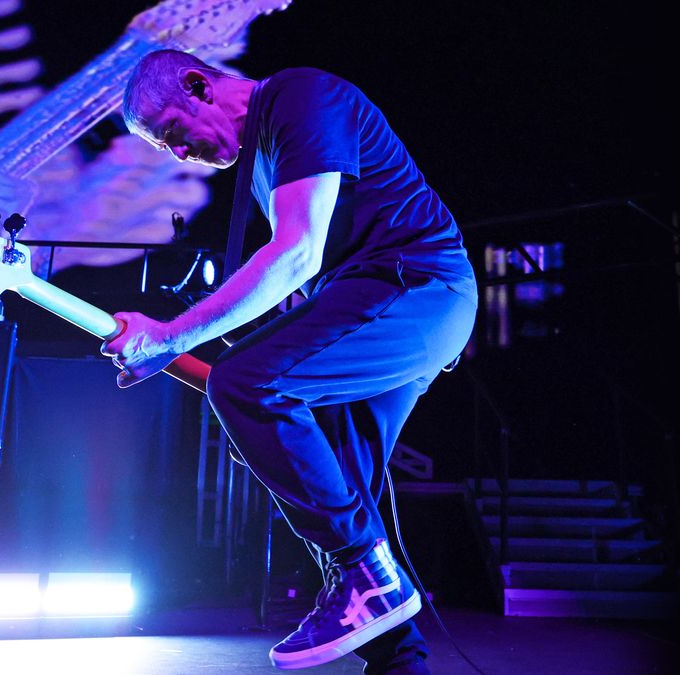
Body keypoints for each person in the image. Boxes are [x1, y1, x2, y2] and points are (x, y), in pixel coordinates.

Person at [102, 50, 478, 673]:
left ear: (198, 85)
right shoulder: (260, 168)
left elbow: (297, 253)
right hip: (370, 304)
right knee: (340, 495)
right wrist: (178, 358)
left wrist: (172, 336)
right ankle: (398, 658)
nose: (179, 155)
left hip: (416, 290)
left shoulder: (300, 98)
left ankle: (364, 574)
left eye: (172, 133)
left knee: (253, 389)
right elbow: (298, 305)